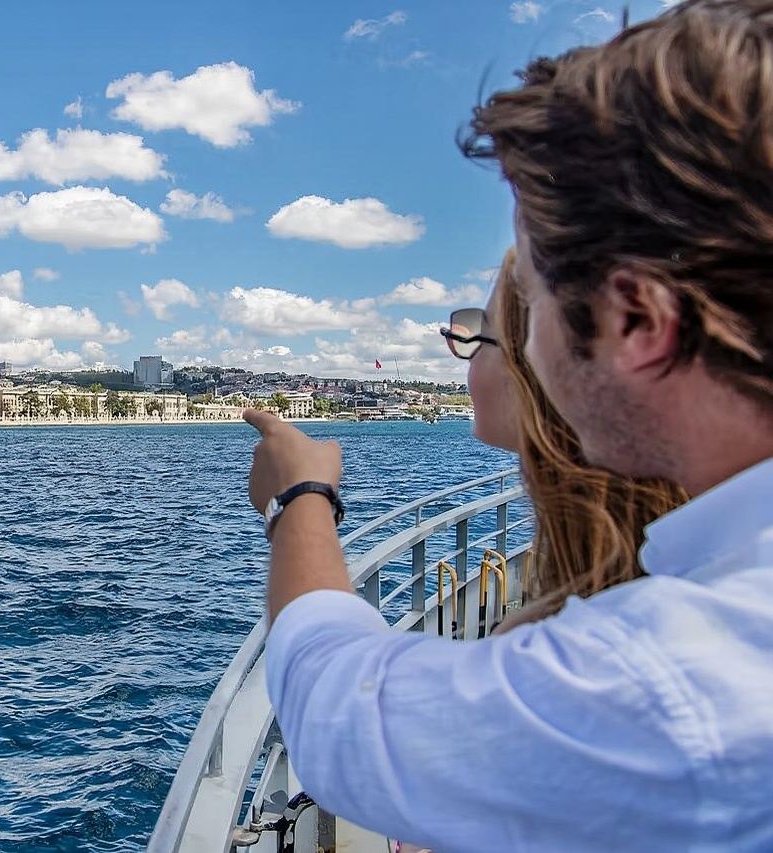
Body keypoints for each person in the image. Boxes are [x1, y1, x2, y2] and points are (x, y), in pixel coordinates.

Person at [246, 2, 773, 850]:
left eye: (535, 296)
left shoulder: (675, 685)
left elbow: (343, 715)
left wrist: (299, 495)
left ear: (637, 320)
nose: (524, 342)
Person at [446, 249, 686, 628]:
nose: (469, 361)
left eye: (481, 338)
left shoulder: (562, 637)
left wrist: (328, 497)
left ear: (536, 362)